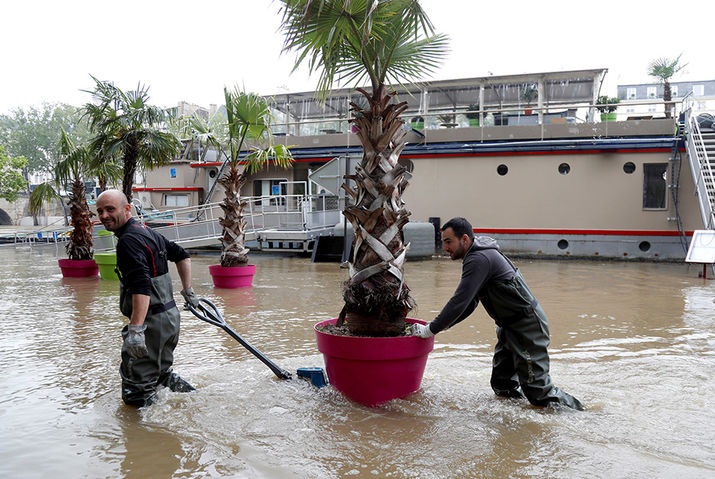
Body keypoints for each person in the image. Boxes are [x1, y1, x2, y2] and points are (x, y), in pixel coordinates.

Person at [411, 217, 584, 410]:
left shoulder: (478, 259)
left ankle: (584, 414)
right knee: (503, 385)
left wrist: (431, 329)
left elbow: (459, 300)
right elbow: (469, 304)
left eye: (449, 242)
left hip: (527, 327)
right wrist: (439, 327)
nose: (445, 248)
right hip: (509, 326)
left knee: (538, 392)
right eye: (443, 242)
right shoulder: (476, 256)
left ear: (465, 239)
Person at [96, 190, 200, 407]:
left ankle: (144, 434)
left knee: (136, 387)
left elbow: (141, 287)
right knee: (160, 374)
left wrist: (135, 330)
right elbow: (182, 255)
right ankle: (196, 401)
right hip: (170, 320)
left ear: (127, 209)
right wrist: (188, 292)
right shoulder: (146, 231)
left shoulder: (128, 241)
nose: (104, 215)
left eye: (110, 209)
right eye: (100, 211)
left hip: (150, 324)